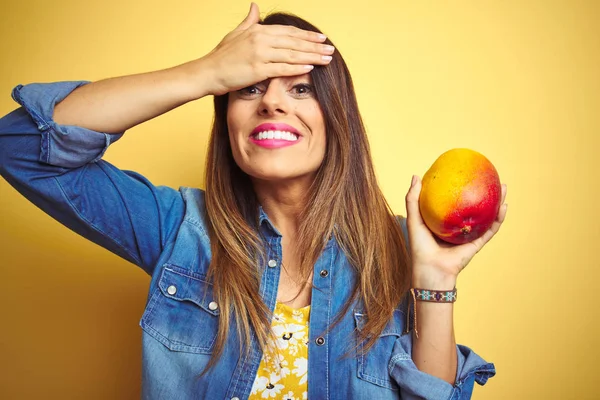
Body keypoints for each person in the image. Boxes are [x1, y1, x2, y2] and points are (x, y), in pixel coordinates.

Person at [0, 3, 507, 399]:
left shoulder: (399, 249)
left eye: (302, 89)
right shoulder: (181, 230)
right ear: (226, 121)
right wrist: (203, 74)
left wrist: (435, 283)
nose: (272, 102)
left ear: (337, 121)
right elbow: (20, 145)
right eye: (249, 88)